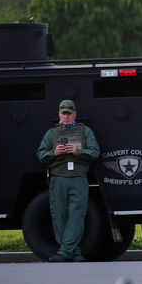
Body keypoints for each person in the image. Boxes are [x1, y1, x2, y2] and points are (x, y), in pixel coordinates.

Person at [36, 99, 100, 262]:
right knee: (59, 216)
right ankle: (75, 252)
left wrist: (78, 151)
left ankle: (64, 253)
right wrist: (54, 152)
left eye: (69, 113)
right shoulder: (51, 134)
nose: (66, 116)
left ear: (74, 114)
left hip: (78, 178)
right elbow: (41, 155)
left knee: (77, 215)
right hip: (59, 178)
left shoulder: (85, 131)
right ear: (59, 114)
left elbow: (95, 152)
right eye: (63, 113)